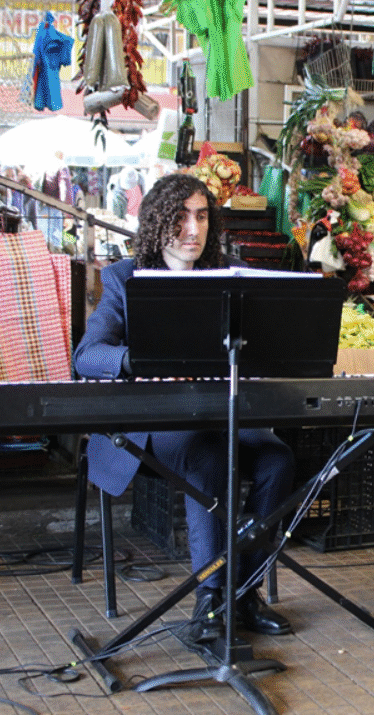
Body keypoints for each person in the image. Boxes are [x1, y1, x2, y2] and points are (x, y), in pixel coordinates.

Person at [73, 173, 296, 658]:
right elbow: (87, 356)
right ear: (157, 221)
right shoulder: (124, 278)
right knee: (207, 456)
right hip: (157, 425)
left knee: (278, 461)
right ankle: (210, 599)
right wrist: (141, 360)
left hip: (224, 414)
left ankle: (244, 592)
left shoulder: (232, 276)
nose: (193, 229)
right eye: (180, 217)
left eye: (201, 216)